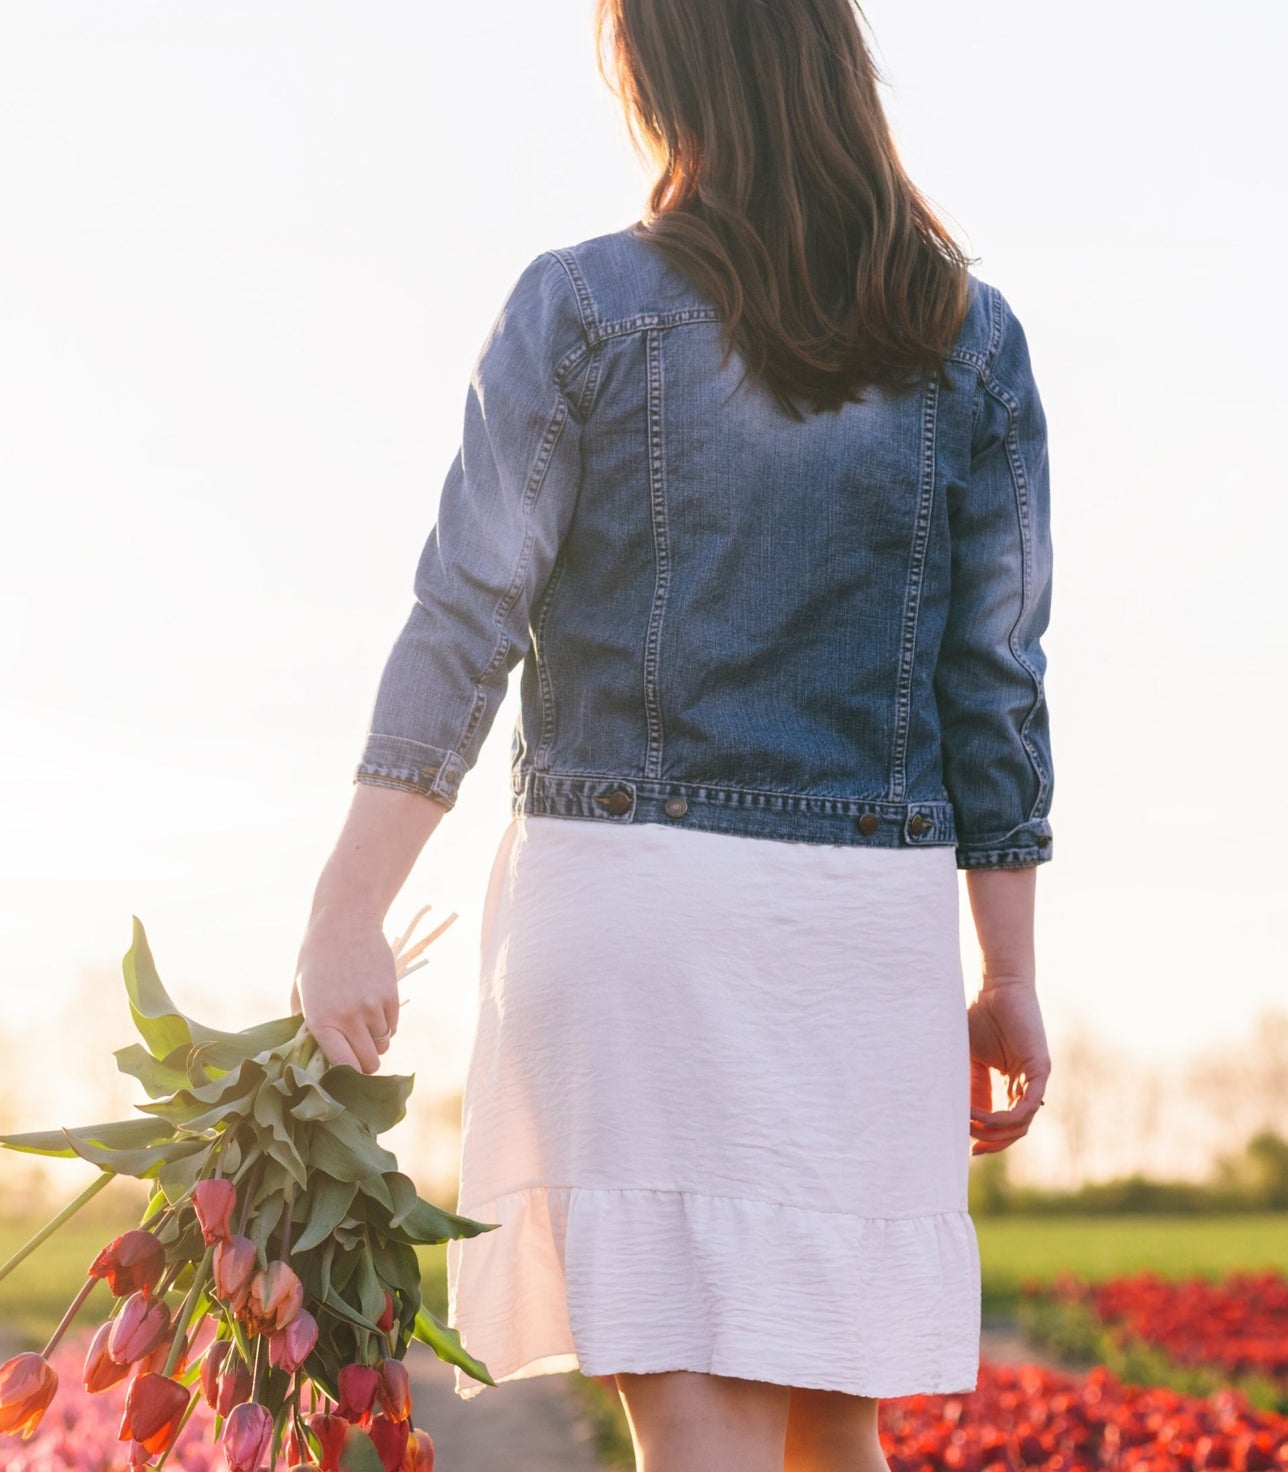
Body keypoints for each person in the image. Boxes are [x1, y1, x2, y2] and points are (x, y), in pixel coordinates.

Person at [289, 1, 1055, 1468]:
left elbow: (466, 614)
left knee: (694, 1427)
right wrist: (1007, 966)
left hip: (627, 906)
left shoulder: (579, 307)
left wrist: (349, 906)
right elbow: (995, 677)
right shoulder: (970, 340)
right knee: (837, 1424)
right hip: (861, 929)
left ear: (657, 74)